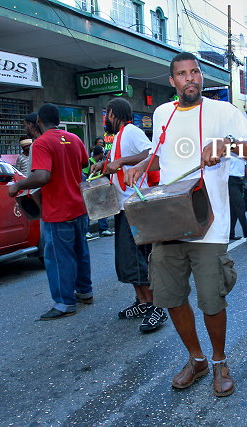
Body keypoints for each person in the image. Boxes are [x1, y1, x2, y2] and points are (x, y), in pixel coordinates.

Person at [124, 52, 247, 397]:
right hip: (169, 223)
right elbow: (160, 153)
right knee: (171, 297)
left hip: (209, 224)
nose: (190, 78)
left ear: (201, 77)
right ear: (172, 81)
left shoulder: (223, 111)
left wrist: (227, 145)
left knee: (212, 301)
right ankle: (197, 359)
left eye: (195, 72)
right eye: (182, 74)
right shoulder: (162, 113)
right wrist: (139, 165)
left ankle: (219, 362)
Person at [9, 103, 93, 320]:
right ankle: (85, 291)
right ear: (58, 120)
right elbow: (84, 163)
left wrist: (18, 185)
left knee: (59, 258)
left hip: (58, 210)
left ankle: (64, 303)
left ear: (39, 121)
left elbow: (42, 176)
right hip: (79, 206)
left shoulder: (41, 143)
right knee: (80, 252)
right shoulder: (74, 138)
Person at [92, 97, 167, 332]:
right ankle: (142, 302)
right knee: (128, 261)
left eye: (107, 115)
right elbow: (118, 164)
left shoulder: (132, 131)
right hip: (123, 206)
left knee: (139, 259)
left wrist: (122, 160)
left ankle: (156, 307)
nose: (105, 120)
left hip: (136, 206)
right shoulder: (117, 137)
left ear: (113, 113)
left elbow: (150, 153)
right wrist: (103, 164)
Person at [82, 145, 113, 238]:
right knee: (88, 209)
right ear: (100, 154)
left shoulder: (99, 163)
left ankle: (103, 229)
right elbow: (84, 175)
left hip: (97, 188)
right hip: (89, 189)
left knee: (101, 208)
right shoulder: (89, 162)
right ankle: (86, 230)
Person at [228, 156, 247, 242]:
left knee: (234, 209)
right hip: (231, 181)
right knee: (240, 206)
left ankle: (230, 233)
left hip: (240, 181)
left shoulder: (242, 154)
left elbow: (245, 168)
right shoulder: (227, 154)